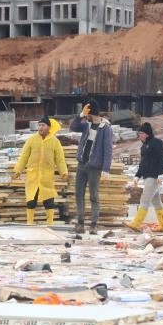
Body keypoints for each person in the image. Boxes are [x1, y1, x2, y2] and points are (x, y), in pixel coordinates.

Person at [12, 116, 68, 226]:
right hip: (33, 176)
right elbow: (24, 157)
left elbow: (60, 159)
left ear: (48, 127)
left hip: (47, 177)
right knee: (31, 201)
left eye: (43, 125)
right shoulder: (31, 140)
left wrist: (64, 172)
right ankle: (30, 223)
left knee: (49, 201)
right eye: (39, 125)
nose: (40, 128)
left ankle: (50, 224)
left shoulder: (55, 142)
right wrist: (18, 170)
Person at [70, 100, 113, 234]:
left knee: (94, 196)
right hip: (82, 164)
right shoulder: (86, 125)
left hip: (95, 167)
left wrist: (106, 169)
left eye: (87, 112)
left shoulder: (105, 128)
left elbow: (108, 149)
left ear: (92, 112)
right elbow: (73, 127)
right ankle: (80, 223)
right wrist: (81, 115)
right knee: (79, 194)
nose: (86, 115)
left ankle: (93, 225)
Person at [127, 121, 163, 231]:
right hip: (146, 176)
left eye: (140, 133)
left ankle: (136, 223)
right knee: (156, 202)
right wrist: (137, 176)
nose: (139, 136)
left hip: (154, 176)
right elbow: (142, 164)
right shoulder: (143, 147)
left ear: (146, 134)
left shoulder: (157, 143)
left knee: (144, 200)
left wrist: (161, 173)